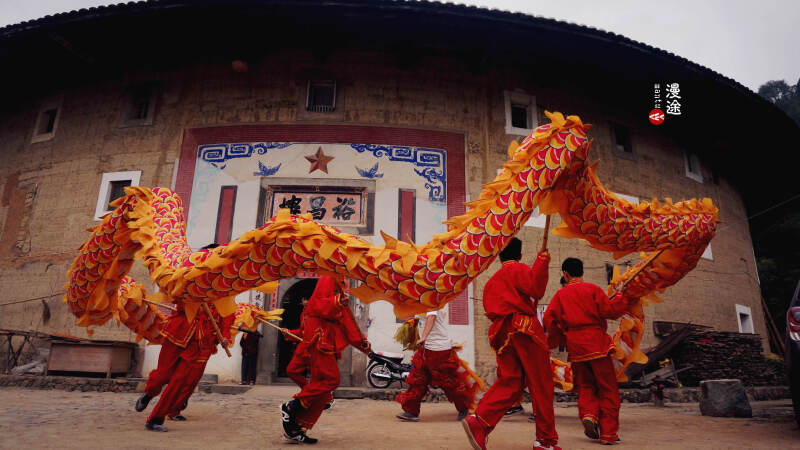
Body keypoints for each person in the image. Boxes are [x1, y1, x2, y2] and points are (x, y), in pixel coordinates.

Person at [462, 237, 560, 450]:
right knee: (541, 383)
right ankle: (545, 440)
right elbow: (536, 289)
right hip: (524, 328)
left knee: (511, 381)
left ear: (499, 256)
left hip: (501, 333)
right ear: (520, 255)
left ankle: (479, 421)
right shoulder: (520, 269)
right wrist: (542, 263)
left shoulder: (492, 281)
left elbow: (490, 311)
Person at [543, 257, 634, 445]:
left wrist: (559, 338)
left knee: (586, 386)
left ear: (565, 274)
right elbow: (610, 311)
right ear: (582, 272)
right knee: (607, 389)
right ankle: (608, 434)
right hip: (597, 344)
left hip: (576, 348)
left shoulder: (559, 296)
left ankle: (589, 414)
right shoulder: (593, 290)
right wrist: (619, 296)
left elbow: (549, 321)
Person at [279, 276, 371, 444]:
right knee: (331, 380)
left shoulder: (341, 282)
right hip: (319, 340)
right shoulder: (329, 276)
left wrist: (364, 346)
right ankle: (293, 405)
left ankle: (295, 428)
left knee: (321, 392)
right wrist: (337, 301)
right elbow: (320, 304)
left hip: (324, 343)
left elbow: (347, 322)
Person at [134, 300, 233, 431]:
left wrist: (225, 337)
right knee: (163, 376)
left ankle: (156, 419)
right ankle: (149, 393)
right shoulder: (191, 284)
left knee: (179, 381)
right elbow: (176, 298)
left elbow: (227, 320)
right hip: (179, 332)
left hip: (199, 343)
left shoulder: (226, 296)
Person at [395, 310, 472, 422]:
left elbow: (431, 318)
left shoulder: (433, 301)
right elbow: (423, 320)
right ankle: (411, 412)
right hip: (425, 350)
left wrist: (424, 337)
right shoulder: (422, 303)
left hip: (439, 350)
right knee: (417, 380)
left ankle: (464, 409)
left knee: (449, 382)